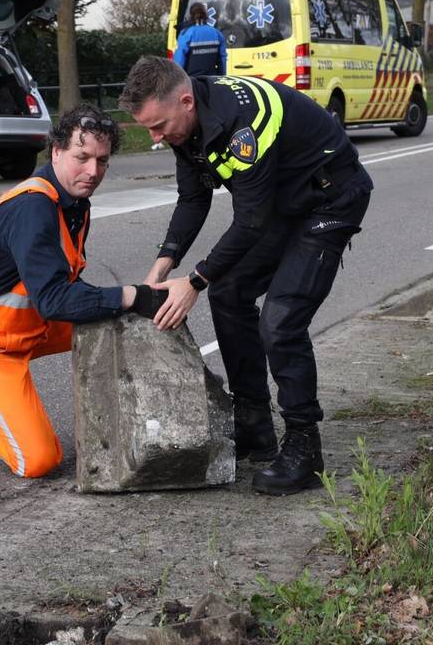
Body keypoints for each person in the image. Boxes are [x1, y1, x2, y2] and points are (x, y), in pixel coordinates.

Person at [118, 56, 373, 496]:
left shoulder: (242, 123)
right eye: (148, 129)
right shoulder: (187, 122)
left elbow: (251, 220)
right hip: (282, 204)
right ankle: (254, 424)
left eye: (158, 126)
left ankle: (304, 446)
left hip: (330, 201)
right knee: (230, 293)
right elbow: (193, 199)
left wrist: (195, 280)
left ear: (185, 101)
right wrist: (165, 262)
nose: (155, 138)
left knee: (281, 320)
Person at [0, 104, 167, 478]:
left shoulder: (75, 203)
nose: (93, 171)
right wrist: (132, 295)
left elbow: (61, 290)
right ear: (57, 151)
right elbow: (55, 299)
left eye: (103, 161)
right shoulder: (33, 207)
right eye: (82, 157)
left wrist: (128, 303)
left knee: (119, 319)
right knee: (39, 461)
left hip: (33, 325)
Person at [173, 2, 227, 77]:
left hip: (192, 81)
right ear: (205, 15)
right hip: (211, 80)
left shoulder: (186, 33)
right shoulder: (217, 33)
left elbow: (179, 59)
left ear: (191, 15)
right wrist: (221, 77)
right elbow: (222, 59)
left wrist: (178, 78)